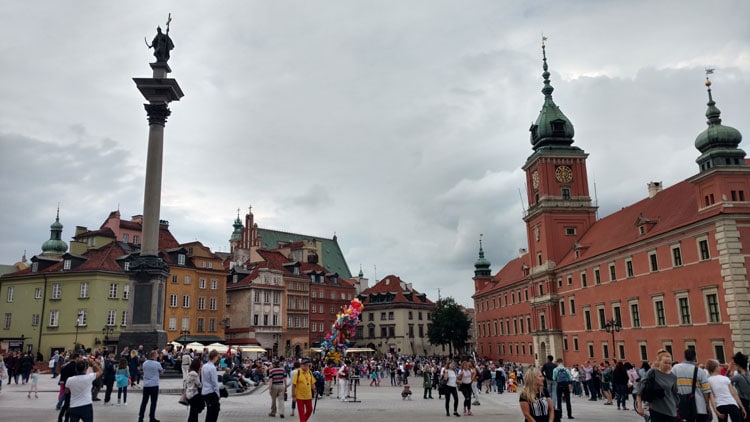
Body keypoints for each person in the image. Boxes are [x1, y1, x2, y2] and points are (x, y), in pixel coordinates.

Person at [636, 349, 678, 422]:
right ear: (659, 362)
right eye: (665, 363)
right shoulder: (653, 372)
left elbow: (675, 394)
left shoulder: (673, 377)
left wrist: (676, 405)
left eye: (669, 363)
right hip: (656, 410)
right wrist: (639, 406)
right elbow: (640, 388)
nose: (668, 365)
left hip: (671, 410)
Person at [672, 348, 712, 421]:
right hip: (699, 407)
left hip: (682, 405)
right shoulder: (700, 371)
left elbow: (672, 385)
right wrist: (707, 405)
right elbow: (706, 390)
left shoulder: (675, 368)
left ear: (684, 356)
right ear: (694, 357)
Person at [65, 356, 103, 422]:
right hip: (86, 405)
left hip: (74, 405)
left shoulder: (70, 380)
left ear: (76, 369)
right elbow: (100, 372)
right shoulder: (89, 377)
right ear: (86, 369)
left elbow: (66, 391)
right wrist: (93, 363)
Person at [137, 350, 164, 422]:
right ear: (154, 355)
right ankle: (152, 418)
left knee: (144, 402)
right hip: (154, 385)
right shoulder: (157, 363)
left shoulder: (145, 363)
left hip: (146, 385)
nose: (157, 356)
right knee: (153, 402)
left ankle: (140, 418)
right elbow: (161, 372)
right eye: (157, 354)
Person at [202, 350, 222, 422]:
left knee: (209, 412)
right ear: (215, 357)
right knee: (214, 412)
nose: (217, 359)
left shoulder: (204, 366)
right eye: (217, 357)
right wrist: (218, 393)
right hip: (211, 392)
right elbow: (214, 382)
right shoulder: (212, 368)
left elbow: (203, 379)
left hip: (205, 391)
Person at [730, 352, 750, 422]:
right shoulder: (748, 375)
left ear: (738, 365)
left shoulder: (738, 377)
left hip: (744, 403)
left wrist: (729, 369)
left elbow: (725, 381)